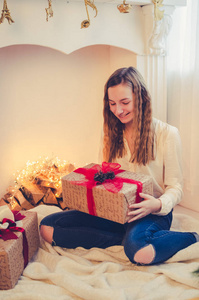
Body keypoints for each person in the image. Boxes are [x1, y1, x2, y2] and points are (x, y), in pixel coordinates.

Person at [40, 67, 199, 265]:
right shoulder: (108, 132)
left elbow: (175, 187)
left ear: (140, 98)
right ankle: (125, 239)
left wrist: (156, 205)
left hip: (150, 211)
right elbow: (104, 176)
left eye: (125, 102)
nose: (118, 110)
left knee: (140, 253)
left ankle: (192, 238)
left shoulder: (168, 134)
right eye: (112, 103)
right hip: (114, 211)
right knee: (48, 227)